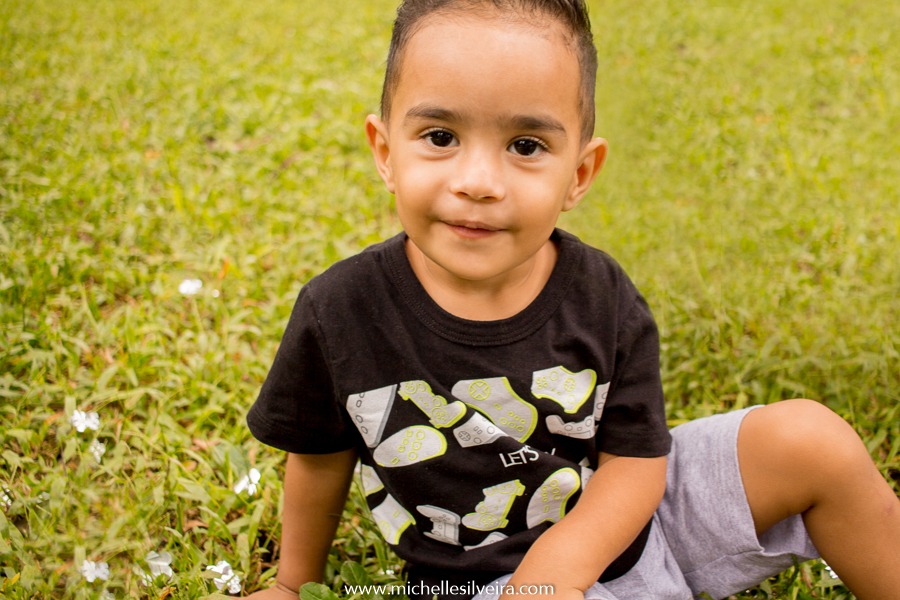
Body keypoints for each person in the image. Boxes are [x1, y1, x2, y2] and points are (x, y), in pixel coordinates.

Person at [242, 1, 900, 598]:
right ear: (385, 151)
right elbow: (318, 456)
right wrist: (293, 583)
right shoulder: (340, 313)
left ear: (579, 173)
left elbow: (637, 463)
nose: (478, 182)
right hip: (478, 584)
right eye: (440, 137)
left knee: (809, 439)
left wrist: (563, 563)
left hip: (633, 526)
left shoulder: (601, 293)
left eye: (525, 146)